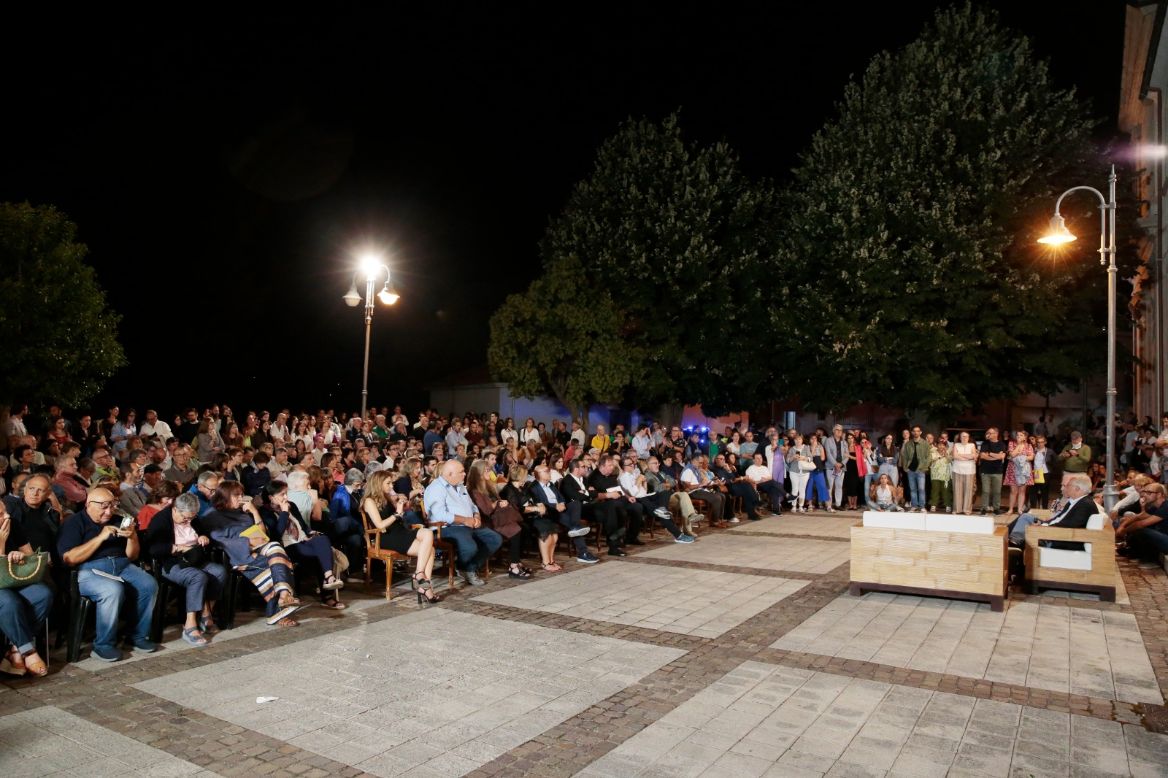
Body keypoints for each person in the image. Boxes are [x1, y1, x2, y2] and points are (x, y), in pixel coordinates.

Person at [58, 487, 159, 661]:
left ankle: (136, 635)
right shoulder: (74, 522)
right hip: (89, 569)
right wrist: (100, 538)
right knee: (112, 589)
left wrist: (132, 536)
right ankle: (103, 645)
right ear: (89, 504)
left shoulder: (119, 519)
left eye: (112, 505)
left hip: (122, 564)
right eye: (103, 506)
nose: (109, 511)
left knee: (149, 584)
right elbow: (70, 558)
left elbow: (132, 556)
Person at [200, 481, 302, 627]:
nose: (241, 498)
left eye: (242, 494)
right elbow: (219, 541)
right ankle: (278, 610)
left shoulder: (241, 512)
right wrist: (247, 543)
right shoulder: (212, 515)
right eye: (236, 495)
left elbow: (262, 533)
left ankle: (283, 596)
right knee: (278, 563)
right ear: (224, 496)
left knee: (275, 546)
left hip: (259, 548)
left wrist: (254, 512)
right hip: (238, 555)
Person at [144, 493, 228, 646]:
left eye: (191, 518)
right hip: (171, 562)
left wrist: (203, 536)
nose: (188, 521)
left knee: (219, 571)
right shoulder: (161, 520)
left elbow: (203, 530)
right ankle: (190, 625)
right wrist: (177, 548)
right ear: (175, 510)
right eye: (185, 518)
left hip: (194, 558)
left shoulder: (192, 517)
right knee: (197, 577)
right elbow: (153, 549)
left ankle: (206, 612)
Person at [260, 480, 345, 610]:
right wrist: (283, 513)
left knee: (322, 539)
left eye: (286, 493)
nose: (286, 497)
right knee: (320, 556)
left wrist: (310, 532)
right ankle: (327, 596)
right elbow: (275, 535)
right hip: (287, 546)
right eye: (282, 494)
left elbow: (303, 525)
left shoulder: (291, 505)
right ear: (271, 497)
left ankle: (329, 577)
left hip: (303, 539)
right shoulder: (265, 512)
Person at [423, 460, 502, 586]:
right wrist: (465, 520)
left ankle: (467, 567)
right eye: (461, 472)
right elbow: (439, 514)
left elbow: (473, 506)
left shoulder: (460, 486)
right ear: (449, 474)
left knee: (495, 539)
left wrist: (476, 517)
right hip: (446, 527)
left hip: (468, 524)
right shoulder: (436, 488)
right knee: (470, 547)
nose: (465, 474)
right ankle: (466, 568)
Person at [0, 499, 51, 676]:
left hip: (14, 579)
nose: (6, 516)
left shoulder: (11, 523)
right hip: (2, 587)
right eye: (0, 514)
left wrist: (20, 554)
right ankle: (28, 652)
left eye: (4, 511)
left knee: (43, 594)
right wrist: (1, 545)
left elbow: (29, 555)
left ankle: (16, 648)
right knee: (9, 602)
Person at [529, 462, 599, 562]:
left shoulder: (551, 484)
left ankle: (575, 528)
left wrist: (561, 503)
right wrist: (555, 506)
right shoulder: (533, 487)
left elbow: (560, 496)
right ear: (538, 474)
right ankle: (583, 552)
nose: (549, 473)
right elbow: (539, 503)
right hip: (550, 512)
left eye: (549, 471)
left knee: (576, 504)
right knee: (574, 525)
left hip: (561, 508)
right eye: (546, 471)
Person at [1006, 473, 1098, 549]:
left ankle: (1012, 543)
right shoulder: (1075, 501)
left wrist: (1043, 526)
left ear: (1077, 489)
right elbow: (1059, 518)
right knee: (1026, 516)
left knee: (1025, 529)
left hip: (1057, 537)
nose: (1065, 488)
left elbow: (1069, 525)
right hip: (1054, 530)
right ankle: (1011, 539)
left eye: (1068, 486)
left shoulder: (1085, 504)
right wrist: (1044, 523)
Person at [503, 465, 561, 572]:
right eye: (525, 476)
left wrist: (540, 505)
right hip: (519, 518)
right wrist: (535, 508)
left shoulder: (523, 487)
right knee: (545, 530)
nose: (526, 478)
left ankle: (551, 560)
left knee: (554, 532)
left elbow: (534, 499)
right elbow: (517, 509)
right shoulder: (509, 489)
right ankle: (545, 562)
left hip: (531, 515)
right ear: (519, 476)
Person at [1117, 484, 1168, 562]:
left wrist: (1123, 531)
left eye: (1149, 493)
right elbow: (1137, 517)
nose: (1145, 495)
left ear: (1159, 494)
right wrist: (1122, 526)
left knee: (1141, 529)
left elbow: (1141, 524)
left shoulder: (1166, 507)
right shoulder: (1155, 506)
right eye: (1144, 492)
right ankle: (1133, 552)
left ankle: (1149, 559)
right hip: (1163, 536)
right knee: (1133, 524)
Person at [898, 426, 930, 512]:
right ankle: (914, 505)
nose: (916, 433)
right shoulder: (908, 444)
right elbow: (905, 457)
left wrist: (924, 467)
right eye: (914, 431)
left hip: (921, 470)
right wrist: (905, 467)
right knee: (912, 489)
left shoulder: (925, 443)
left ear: (921, 432)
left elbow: (928, 457)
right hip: (910, 470)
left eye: (917, 431)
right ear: (912, 432)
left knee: (921, 489)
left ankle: (922, 506)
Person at [1005, 430, 1035, 515]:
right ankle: (1010, 509)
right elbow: (1012, 455)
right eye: (1017, 435)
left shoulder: (1029, 445)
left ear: (1025, 437)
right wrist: (1019, 446)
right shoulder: (1012, 444)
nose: (1018, 436)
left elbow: (1031, 457)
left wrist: (1021, 458)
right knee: (1013, 491)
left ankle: (1020, 509)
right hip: (1013, 470)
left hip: (1024, 471)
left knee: (1022, 491)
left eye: (1021, 435)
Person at [978, 428, 1007, 515]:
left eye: (991, 433)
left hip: (998, 471)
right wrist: (996, 456)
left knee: (997, 491)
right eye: (988, 433)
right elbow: (982, 456)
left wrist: (990, 454)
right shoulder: (985, 443)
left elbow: (1001, 457)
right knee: (985, 491)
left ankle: (996, 508)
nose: (989, 434)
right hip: (985, 471)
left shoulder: (1001, 444)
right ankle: (984, 508)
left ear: (996, 434)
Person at [786, 433, 813, 513]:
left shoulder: (806, 447)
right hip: (794, 471)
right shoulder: (791, 449)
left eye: (799, 439)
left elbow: (811, 458)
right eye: (796, 439)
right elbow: (787, 461)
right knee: (795, 488)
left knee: (802, 489)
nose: (798, 441)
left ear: (802, 440)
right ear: (794, 440)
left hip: (804, 471)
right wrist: (793, 457)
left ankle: (801, 506)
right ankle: (794, 506)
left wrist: (804, 458)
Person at [823, 424, 848, 510]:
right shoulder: (828, 440)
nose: (839, 431)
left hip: (841, 468)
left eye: (841, 430)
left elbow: (847, 455)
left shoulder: (844, 442)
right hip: (830, 467)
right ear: (833, 431)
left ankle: (838, 504)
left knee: (839, 486)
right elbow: (828, 454)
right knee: (829, 487)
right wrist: (835, 464)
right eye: (837, 430)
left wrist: (841, 464)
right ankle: (829, 505)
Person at [928, 441, 953, 513]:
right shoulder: (933, 452)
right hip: (935, 475)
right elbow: (931, 459)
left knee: (946, 491)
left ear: (945, 446)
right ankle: (933, 505)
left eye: (943, 445)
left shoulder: (948, 452)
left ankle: (948, 505)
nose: (941, 446)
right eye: (940, 445)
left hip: (945, 476)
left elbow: (950, 460)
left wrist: (945, 455)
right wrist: (939, 456)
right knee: (935, 491)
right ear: (937, 445)